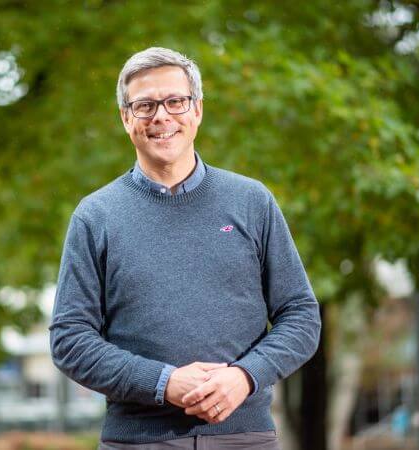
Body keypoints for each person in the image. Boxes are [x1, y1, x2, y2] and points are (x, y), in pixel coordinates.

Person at [49, 47, 321, 449]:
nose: (162, 116)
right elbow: (70, 339)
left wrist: (244, 377)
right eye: (144, 106)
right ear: (126, 119)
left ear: (197, 110)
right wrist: (164, 383)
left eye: (175, 101)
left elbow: (300, 316)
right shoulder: (95, 217)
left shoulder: (252, 201)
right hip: (139, 441)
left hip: (244, 438)